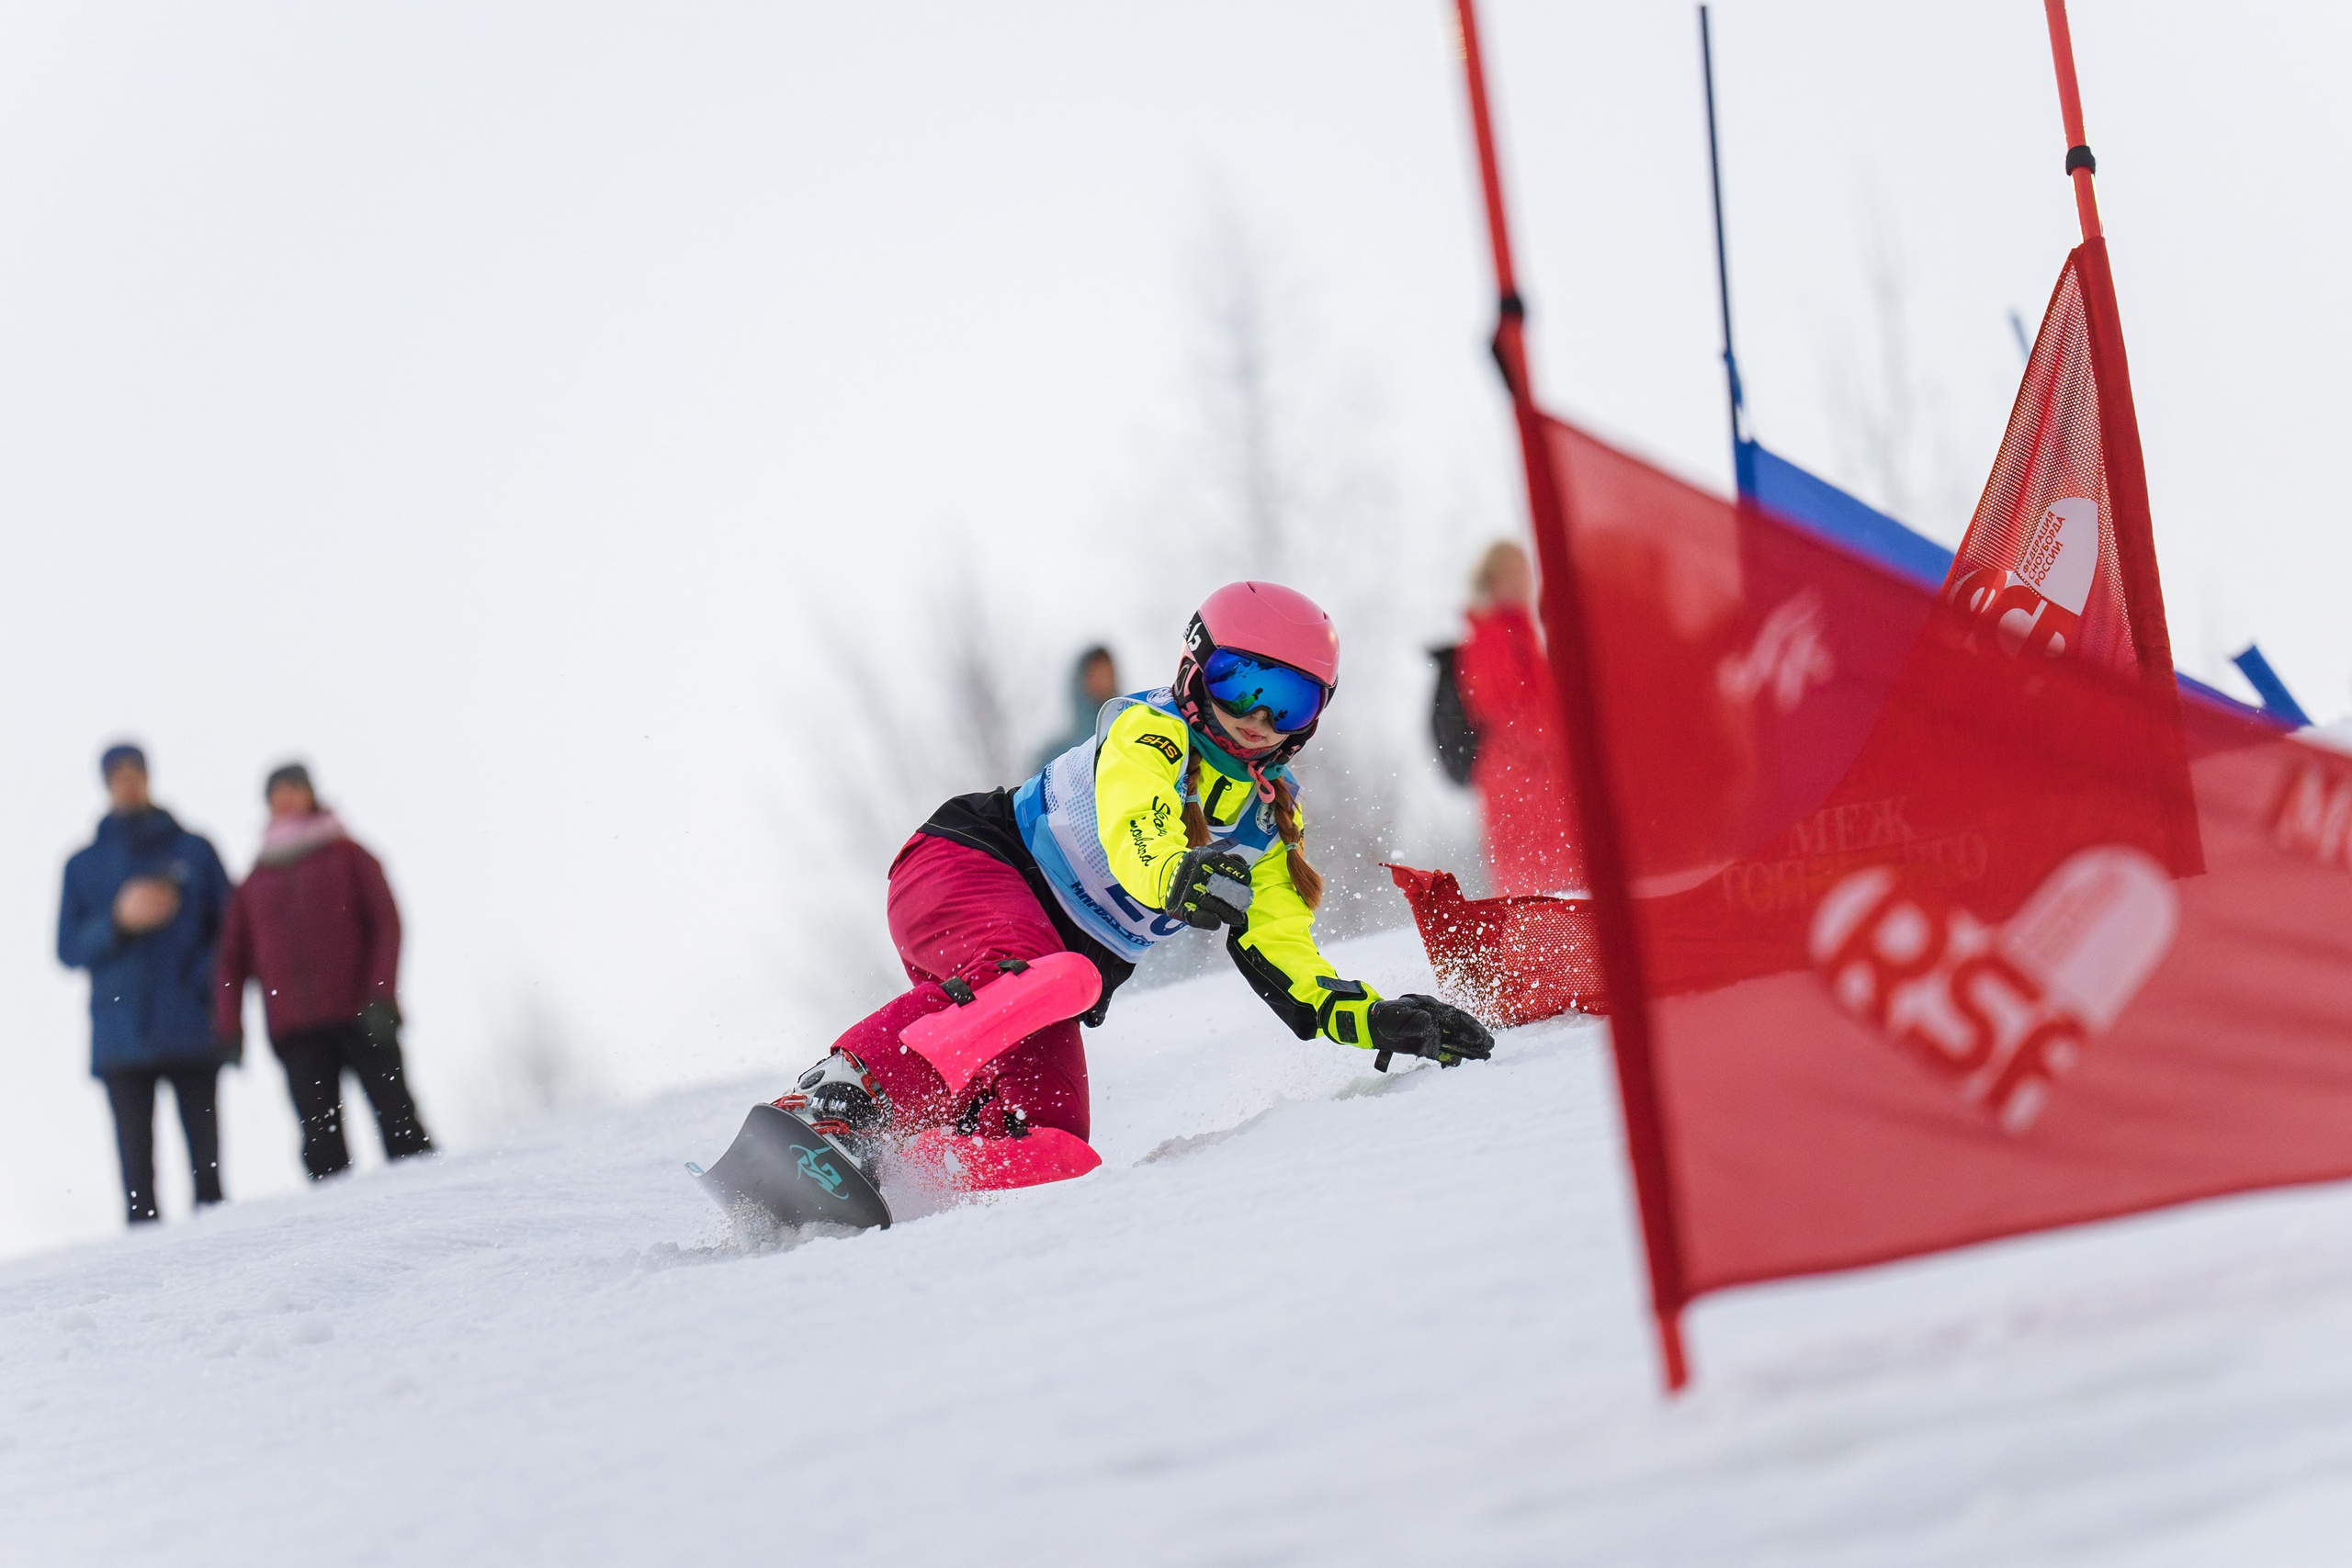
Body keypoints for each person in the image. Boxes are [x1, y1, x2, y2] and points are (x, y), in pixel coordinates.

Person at [782, 581, 1493, 1182]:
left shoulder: (1268, 815)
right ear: (1195, 668)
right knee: (1059, 976)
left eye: (1288, 700)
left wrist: (1370, 1016)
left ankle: (904, 1171)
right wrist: (1174, 874)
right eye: (1240, 683)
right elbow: (1137, 823)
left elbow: (1283, 946)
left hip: (1044, 980)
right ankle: (839, 1097)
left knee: (1057, 1148)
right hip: (965, 868)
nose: (1256, 718)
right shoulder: (1150, 731)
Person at [214, 762, 433, 1179]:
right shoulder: (255, 880)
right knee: (322, 1147)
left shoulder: (350, 855)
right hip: (296, 1029)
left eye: (294, 790)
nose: (287, 800)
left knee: (401, 1125)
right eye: (277, 794)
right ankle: (340, 1239)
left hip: (362, 1014)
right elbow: (232, 960)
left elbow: (386, 925)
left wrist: (382, 994)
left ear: (312, 794)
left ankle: (436, 1217)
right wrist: (228, 1025)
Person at [56, 744, 235, 1224]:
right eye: (118, 776)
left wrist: (201, 981)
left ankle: (222, 1248)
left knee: (208, 1165)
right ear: (106, 784)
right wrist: (117, 920)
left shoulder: (194, 850)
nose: (128, 783)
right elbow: (68, 949)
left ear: (149, 777)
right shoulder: (82, 865)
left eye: (135, 773)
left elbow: (232, 930)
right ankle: (144, 1276)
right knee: (138, 1177)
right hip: (121, 1033)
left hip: (191, 1024)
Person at [1453, 541, 1583, 896]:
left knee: (1560, 896)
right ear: (1494, 581)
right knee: (1538, 899)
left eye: (1527, 570)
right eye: (1517, 571)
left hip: (1540, 783)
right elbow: (1512, 715)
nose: (1526, 580)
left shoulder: (1521, 633)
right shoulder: (1491, 636)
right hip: (1521, 785)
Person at [1031, 644, 1121, 773]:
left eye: (1109, 674)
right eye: (1097, 674)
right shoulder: (1057, 756)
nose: (1105, 681)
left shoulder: (1126, 739)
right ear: (1081, 680)